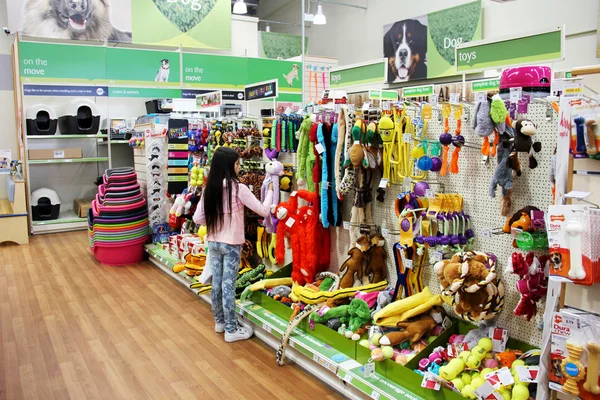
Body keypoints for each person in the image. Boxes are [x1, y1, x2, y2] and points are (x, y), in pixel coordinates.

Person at [194, 147, 274, 343]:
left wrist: (216, 223)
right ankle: (231, 329)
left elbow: (197, 218)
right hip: (231, 244)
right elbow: (263, 211)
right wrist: (271, 192)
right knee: (228, 286)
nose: (239, 167)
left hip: (213, 241)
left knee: (217, 283)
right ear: (230, 166)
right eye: (237, 164)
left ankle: (220, 322)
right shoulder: (238, 188)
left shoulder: (209, 188)